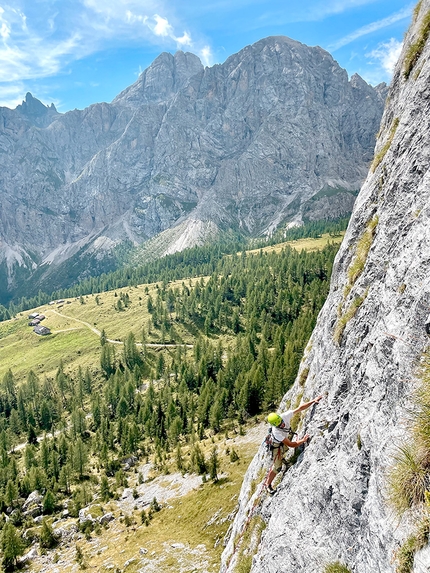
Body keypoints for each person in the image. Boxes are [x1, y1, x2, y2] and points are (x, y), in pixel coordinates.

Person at [264, 395, 323, 494]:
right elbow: (291, 444)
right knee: (277, 467)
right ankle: (268, 484)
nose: (282, 424)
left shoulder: (284, 416)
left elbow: (300, 408)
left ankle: (283, 460)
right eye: (280, 425)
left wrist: (313, 401)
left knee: (284, 451)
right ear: (275, 426)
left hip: (283, 442)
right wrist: (303, 440)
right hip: (276, 446)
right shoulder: (276, 432)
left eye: (282, 422)